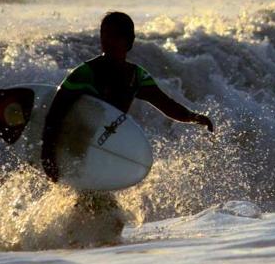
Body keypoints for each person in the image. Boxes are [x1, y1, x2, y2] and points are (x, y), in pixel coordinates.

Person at [41, 11, 214, 183]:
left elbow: (166, 105)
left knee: (98, 202)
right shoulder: (86, 73)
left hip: (104, 149)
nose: (110, 41)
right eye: (106, 35)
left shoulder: (135, 77)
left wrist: (193, 117)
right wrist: (47, 155)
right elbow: (55, 114)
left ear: (129, 41)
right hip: (74, 143)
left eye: (116, 36)